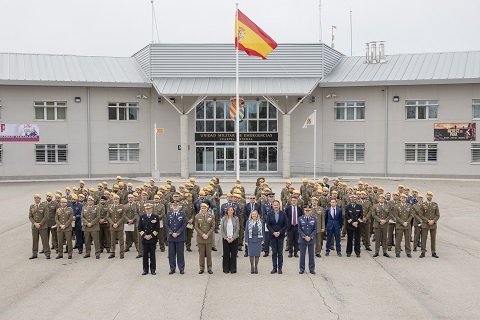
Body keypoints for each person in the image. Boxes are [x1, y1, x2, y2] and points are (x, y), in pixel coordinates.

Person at [266, 200, 288, 274]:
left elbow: (286, 225)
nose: (276, 206)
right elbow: (268, 225)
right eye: (274, 205)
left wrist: (280, 232)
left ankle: (280, 268)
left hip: (280, 235)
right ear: (273, 206)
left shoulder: (283, 214)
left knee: (280, 252)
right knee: (274, 252)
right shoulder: (269, 214)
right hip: (272, 236)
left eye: (277, 205)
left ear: (279, 206)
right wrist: (273, 232)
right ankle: (274, 268)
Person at [138, 203, 160, 275]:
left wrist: (150, 236)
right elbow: (139, 228)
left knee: (152, 255)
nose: (148, 210)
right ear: (145, 209)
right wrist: (144, 235)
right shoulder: (142, 217)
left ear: (152, 209)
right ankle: (145, 269)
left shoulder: (155, 217)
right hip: (144, 239)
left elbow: (157, 228)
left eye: (149, 209)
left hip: (152, 239)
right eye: (147, 209)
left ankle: (153, 269)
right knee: (145, 255)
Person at [166, 200, 187, 274]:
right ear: (171, 206)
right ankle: (172, 268)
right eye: (174, 205)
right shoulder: (169, 214)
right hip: (171, 237)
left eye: (176, 205)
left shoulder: (182, 214)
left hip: (180, 237)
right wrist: (171, 233)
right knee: (171, 254)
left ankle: (181, 268)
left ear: (179, 206)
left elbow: (184, 224)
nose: (175, 206)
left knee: (180, 253)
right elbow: (167, 225)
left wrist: (178, 233)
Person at [195, 202, 215, 274]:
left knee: (209, 254)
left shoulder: (211, 216)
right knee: (201, 255)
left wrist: (207, 235)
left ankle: (209, 268)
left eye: (205, 208)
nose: (203, 209)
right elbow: (196, 227)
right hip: (200, 238)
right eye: (202, 208)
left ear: (207, 209)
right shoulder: (197, 216)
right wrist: (202, 234)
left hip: (208, 238)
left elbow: (213, 227)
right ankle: (201, 268)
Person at [29, 194, 51, 259]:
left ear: (40, 199)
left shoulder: (44, 206)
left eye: (38, 198)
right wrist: (35, 223)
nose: (36, 199)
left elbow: (46, 216)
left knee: (45, 240)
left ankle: (47, 253)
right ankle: (34, 254)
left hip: (42, 226)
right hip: (34, 226)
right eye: (35, 198)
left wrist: (40, 224)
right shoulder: (32, 206)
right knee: (35, 241)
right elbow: (30, 216)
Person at [420, 191, 440, 258]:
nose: (429, 197)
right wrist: (427, 220)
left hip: (433, 224)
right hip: (425, 224)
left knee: (433, 238)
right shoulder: (423, 205)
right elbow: (421, 215)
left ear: (432, 196)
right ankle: (423, 252)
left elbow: (437, 215)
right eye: (428, 195)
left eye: (431, 195)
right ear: (426, 196)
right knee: (424, 238)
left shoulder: (435, 204)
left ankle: (433, 252)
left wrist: (433, 221)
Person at [298, 205, 317, 274]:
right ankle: (301, 268)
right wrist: (304, 236)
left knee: (311, 255)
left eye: (308, 211)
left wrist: (310, 236)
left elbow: (315, 229)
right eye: (306, 210)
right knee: (302, 255)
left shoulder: (314, 219)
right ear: (304, 211)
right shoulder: (300, 219)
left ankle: (311, 269)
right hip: (303, 239)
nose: (307, 212)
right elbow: (299, 229)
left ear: (311, 211)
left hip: (311, 240)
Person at [220, 206, 240, 273]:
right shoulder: (224, 219)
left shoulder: (236, 218)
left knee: (233, 254)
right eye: (229, 210)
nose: (230, 211)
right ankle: (226, 268)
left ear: (234, 211)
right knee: (226, 254)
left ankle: (233, 269)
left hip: (234, 239)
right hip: (226, 239)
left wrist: (233, 238)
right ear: (227, 211)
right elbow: (222, 229)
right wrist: (226, 238)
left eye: (232, 210)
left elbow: (237, 229)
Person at [107, 194, 125, 259]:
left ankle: (122, 253)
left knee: (121, 240)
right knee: (112, 240)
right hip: (112, 226)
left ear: (118, 200)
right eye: (114, 199)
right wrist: (112, 224)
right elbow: (108, 217)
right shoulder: (110, 206)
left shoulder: (121, 206)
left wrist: (117, 224)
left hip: (119, 226)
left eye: (116, 199)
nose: (115, 200)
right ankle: (112, 253)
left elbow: (123, 216)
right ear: (112, 200)